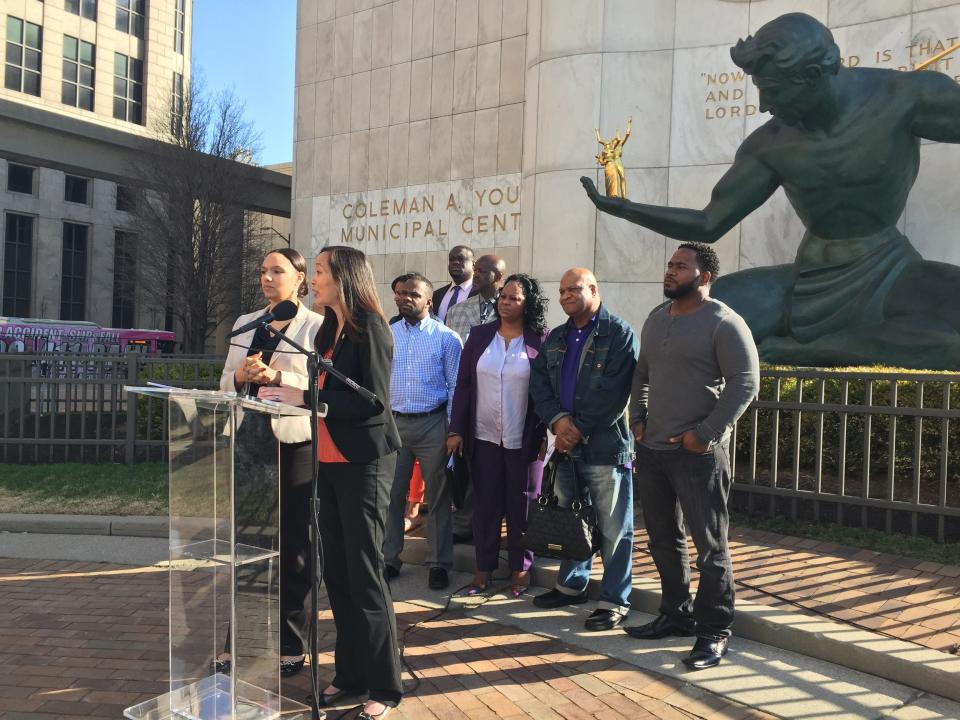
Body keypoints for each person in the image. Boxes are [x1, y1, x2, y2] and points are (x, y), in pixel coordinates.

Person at [580, 12, 960, 369]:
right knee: (697, 314)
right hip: (809, 282)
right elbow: (709, 222)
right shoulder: (770, 144)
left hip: (893, 270)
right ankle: (847, 342)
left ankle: (821, 349)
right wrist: (626, 208)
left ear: (812, 74)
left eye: (772, 91)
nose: (763, 106)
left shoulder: (906, 97)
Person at [267, 246, 402, 719]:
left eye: (320, 271)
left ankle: (384, 688)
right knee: (338, 577)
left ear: (344, 277)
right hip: (329, 460)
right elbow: (320, 394)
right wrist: (286, 391)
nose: (314, 280)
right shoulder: (327, 330)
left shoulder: (372, 330)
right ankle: (350, 676)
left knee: (365, 578)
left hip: (364, 463)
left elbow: (374, 404)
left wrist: (311, 397)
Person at [626, 243, 759, 670]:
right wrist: (639, 418)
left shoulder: (724, 322)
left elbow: (745, 382)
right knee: (664, 540)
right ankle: (675, 612)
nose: (670, 271)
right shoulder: (655, 318)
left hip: (697, 456)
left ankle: (714, 631)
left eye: (680, 266)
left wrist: (704, 435)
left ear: (704, 277)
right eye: (669, 264)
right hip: (653, 451)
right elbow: (641, 373)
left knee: (710, 548)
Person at [218, 248, 324, 677]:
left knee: (295, 545)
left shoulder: (317, 325)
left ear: (299, 277)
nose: (267, 278)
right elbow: (224, 381)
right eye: (262, 271)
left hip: (294, 442)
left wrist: (279, 376)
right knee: (245, 546)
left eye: (276, 271)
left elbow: (322, 384)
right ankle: (235, 642)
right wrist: (242, 376)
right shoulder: (246, 324)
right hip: (249, 441)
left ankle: (292, 643)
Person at [529, 268, 639, 631]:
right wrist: (558, 422)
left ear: (594, 288)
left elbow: (614, 392)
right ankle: (572, 585)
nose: (565, 296)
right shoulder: (557, 337)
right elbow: (539, 382)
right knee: (571, 518)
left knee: (613, 527)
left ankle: (614, 599)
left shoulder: (618, 333)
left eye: (573, 289)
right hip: (565, 448)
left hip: (605, 447)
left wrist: (574, 430)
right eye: (560, 291)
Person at [447, 274, 548, 598]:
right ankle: (483, 569)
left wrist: (546, 433)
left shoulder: (539, 340)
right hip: (484, 437)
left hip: (525, 440)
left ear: (527, 304)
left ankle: (521, 570)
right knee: (486, 504)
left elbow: (547, 392)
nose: (505, 303)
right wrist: (456, 429)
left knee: (523, 506)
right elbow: (463, 386)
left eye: (514, 298)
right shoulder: (479, 336)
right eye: (503, 297)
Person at [383, 273, 463, 590]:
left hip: (433, 424)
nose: (405, 298)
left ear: (428, 300)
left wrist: (454, 428)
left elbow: (456, 386)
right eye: (400, 293)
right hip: (395, 423)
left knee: (438, 496)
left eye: (413, 294)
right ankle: (390, 558)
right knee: (391, 496)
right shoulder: (388, 335)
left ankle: (439, 563)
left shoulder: (447, 338)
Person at [445, 253, 507, 543]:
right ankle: (466, 519)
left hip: (501, 396)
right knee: (465, 462)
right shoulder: (459, 311)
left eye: (484, 271)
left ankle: (489, 518)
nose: (477, 274)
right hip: (466, 393)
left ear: (498, 276)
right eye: (477, 269)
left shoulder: (511, 307)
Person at [444, 254, 506, 343]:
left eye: (481, 271)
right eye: (475, 270)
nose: (475, 275)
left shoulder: (510, 309)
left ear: (498, 277)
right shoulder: (456, 310)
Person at [432, 245, 474, 322]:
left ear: (473, 264)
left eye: (461, 259)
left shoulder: (479, 293)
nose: (455, 262)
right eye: (452, 259)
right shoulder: (437, 295)